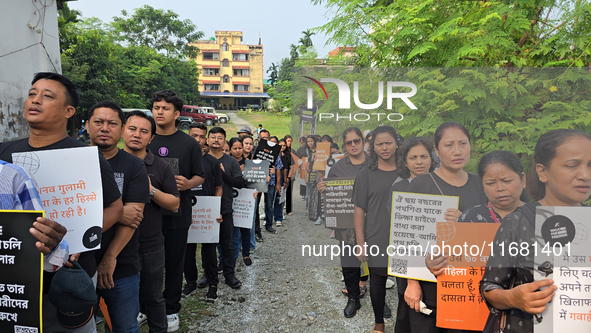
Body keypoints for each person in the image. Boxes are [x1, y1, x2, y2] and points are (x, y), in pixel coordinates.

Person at [0, 72, 123, 333]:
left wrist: (78, 240)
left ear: (69, 111)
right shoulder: (3, 152)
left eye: (47, 96)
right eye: (32, 94)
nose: (35, 100)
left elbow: (115, 208)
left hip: (69, 273)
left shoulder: (86, 156)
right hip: (15, 275)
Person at [480, 129, 591, 333]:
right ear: (542, 172)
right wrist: (513, 297)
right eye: (572, 165)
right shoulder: (518, 221)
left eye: (590, 165)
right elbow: (489, 287)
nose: (584, 175)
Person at [406, 122, 488, 333]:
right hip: (429, 283)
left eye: (463, 143)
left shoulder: (483, 185)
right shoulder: (420, 185)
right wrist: (412, 283)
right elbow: (409, 237)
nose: (457, 151)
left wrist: (466, 222)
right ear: (436, 150)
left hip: (470, 287)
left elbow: (496, 234)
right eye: (449, 145)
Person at [87, 101, 151, 333]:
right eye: (98, 122)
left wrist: (110, 257)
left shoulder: (134, 165)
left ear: (121, 128)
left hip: (121, 264)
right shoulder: (72, 160)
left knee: (124, 327)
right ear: (87, 125)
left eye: (112, 123)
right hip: (78, 265)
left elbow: (134, 216)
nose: (105, 128)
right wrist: (117, 212)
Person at [147, 89, 205, 332]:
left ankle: (171, 308)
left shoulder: (189, 143)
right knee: (145, 262)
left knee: (173, 262)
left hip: (178, 214)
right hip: (147, 213)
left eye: (165, 108)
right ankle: (145, 305)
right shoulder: (144, 138)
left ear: (177, 114)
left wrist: (188, 184)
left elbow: (200, 176)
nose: (160, 112)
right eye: (156, 107)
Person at [121, 111, 180, 332]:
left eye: (144, 131)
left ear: (151, 138)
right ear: (123, 130)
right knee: (121, 298)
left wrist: (151, 190)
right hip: (114, 244)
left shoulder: (161, 166)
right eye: (132, 129)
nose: (137, 135)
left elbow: (175, 203)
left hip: (150, 245)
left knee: (154, 298)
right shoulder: (108, 162)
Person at [317, 127, 372, 317]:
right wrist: (323, 189)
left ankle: (379, 301)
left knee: (377, 262)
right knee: (349, 263)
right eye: (349, 142)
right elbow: (331, 194)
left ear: (363, 141)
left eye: (357, 140)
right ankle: (353, 298)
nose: (354, 145)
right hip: (347, 224)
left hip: (374, 223)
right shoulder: (338, 167)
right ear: (344, 145)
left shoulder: (375, 164)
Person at [352, 126, 400, 333]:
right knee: (378, 281)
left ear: (397, 143)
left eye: (388, 142)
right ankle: (379, 324)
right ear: (373, 147)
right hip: (377, 236)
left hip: (406, 238)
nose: (384, 147)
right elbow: (359, 211)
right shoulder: (366, 174)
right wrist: (360, 244)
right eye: (379, 144)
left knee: (407, 284)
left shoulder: (408, 170)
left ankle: (405, 324)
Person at [389, 137, 437, 333]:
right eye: (413, 157)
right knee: (408, 307)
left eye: (424, 156)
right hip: (408, 257)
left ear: (431, 158)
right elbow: (398, 230)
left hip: (437, 259)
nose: (419, 161)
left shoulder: (441, 183)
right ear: (405, 161)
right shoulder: (398, 188)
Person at [185, 122, 223, 303]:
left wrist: (217, 209)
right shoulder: (182, 158)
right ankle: (190, 282)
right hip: (186, 211)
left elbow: (218, 187)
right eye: (194, 136)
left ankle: (213, 284)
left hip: (207, 213)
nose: (198, 140)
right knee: (187, 250)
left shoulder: (212, 162)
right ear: (188, 135)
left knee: (209, 251)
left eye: (201, 136)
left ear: (206, 138)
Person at [207, 127, 245, 289]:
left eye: (220, 137)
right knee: (207, 245)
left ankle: (229, 275)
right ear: (207, 140)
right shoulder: (200, 159)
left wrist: (222, 174)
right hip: (206, 209)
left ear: (224, 141)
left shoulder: (231, 161)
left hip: (226, 208)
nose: (216, 140)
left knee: (227, 244)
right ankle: (207, 275)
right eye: (213, 137)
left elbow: (239, 183)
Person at [228, 137, 252, 265]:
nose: (238, 151)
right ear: (230, 149)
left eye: (239, 148)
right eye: (235, 148)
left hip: (246, 198)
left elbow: (255, 181)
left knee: (245, 227)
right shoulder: (228, 162)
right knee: (232, 229)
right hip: (231, 198)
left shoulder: (249, 162)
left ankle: (246, 254)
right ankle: (232, 255)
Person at [264, 134, 283, 232]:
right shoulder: (259, 153)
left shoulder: (275, 155)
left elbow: (279, 169)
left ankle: (269, 224)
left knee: (269, 204)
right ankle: (259, 225)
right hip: (259, 182)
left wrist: (278, 183)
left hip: (271, 183)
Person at [283, 135, 295, 216]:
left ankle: (289, 209)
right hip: (282, 175)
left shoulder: (292, 151)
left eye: (290, 141)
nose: (289, 143)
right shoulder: (281, 151)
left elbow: (294, 164)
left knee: (289, 193)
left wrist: (292, 174)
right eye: (288, 141)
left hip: (290, 175)